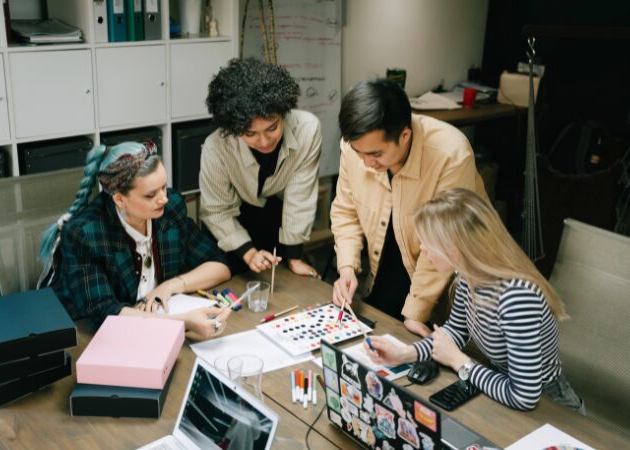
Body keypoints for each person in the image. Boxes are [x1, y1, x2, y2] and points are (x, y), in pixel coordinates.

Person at [365, 188, 584, 413]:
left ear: (454, 249)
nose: (422, 248)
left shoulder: (517, 297)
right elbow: (456, 331)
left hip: (549, 407)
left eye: (427, 242)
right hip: (498, 386)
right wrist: (405, 354)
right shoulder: (468, 276)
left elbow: (524, 396)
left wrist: (459, 361)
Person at [331, 78, 487, 337]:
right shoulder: (354, 148)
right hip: (385, 268)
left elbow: (444, 241)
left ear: (405, 136)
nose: (366, 162)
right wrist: (346, 267)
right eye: (359, 153)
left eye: (376, 154)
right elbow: (346, 211)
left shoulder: (451, 154)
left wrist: (416, 311)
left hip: (445, 283)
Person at [39, 142, 232, 339]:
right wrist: (184, 322)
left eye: (164, 187)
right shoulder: (85, 233)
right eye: (151, 195)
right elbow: (105, 314)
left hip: (153, 328)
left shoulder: (169, 209)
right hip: (87, 336)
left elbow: (219, 265)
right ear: (119, 200)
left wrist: (170, 286)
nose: (164, 198)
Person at [200, 57, 322, 278]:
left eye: (272, 128)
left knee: (280, 280)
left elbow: (299, 197)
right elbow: (217, 210)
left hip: (277, 214)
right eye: (250, 133)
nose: (264, 142)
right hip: (232, 221)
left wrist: (294, 258)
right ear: (234, 128)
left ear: (283, 113)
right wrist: (249, 254)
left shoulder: (307, 129)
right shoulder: (216, 147)